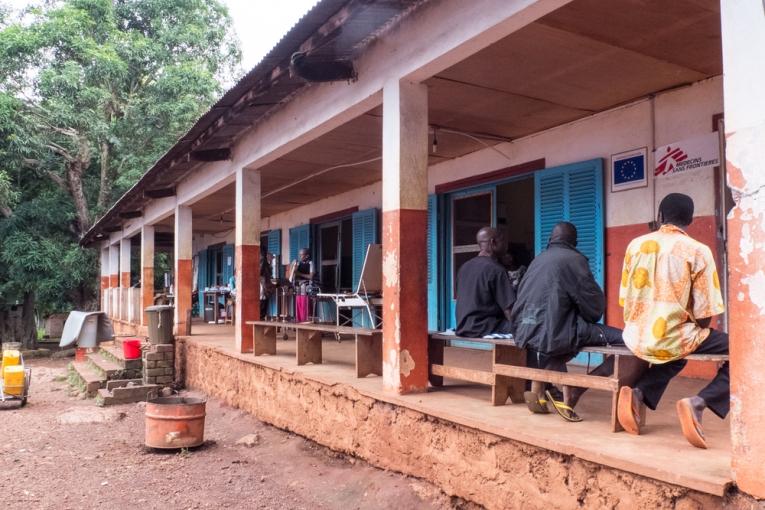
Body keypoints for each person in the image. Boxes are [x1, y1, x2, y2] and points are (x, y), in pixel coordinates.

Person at [617, 193, 727, 449]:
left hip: (635, 336)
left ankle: (638, 392)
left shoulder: (635, 245)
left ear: (659, 217)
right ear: (690, 219)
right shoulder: (698, 251)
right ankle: (699, 402)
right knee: (742, 353)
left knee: (678, 355)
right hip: (671, 337)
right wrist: (695, 331)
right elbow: (704, 314)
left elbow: (624, 298)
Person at [511, 221, 623, 422]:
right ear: (575, 242)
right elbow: (594, 305)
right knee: (626, 341)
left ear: (550, 240)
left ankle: (541, 383)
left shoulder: (537, 260)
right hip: (555, 333)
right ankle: (576, 387)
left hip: (526, 333)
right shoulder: (574, 260)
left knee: (559, 339)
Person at [455, 227, 516, 338]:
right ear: (493, 242)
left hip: (463, 326)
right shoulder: (496, 270)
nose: (506, 245)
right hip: (484, 327)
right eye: (503, 240)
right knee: (528, 326)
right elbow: (509, 310)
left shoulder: (464, 267)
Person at [293, 248, 314, 323]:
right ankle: (299, 320)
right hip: (299, 285)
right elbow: (293, 274)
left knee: (305, 304)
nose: (300, 256)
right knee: (299, 303)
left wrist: (299, 274)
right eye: (300, 255)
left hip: (307, 286)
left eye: (302, 255)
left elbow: (311, 276)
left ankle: (305, 320)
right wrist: (293, 269)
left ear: (307, 256)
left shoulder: (311, 263)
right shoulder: (298, 263)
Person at [260, 252, 275, 319]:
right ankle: (260, 317)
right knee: (262, 301)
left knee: (265, 301)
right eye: (271, 258)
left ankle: (262, 317)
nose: (272, 259)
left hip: (265, 285)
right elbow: (261, 276)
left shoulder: (268, 265)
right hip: (262, 285)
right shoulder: (263, 265)